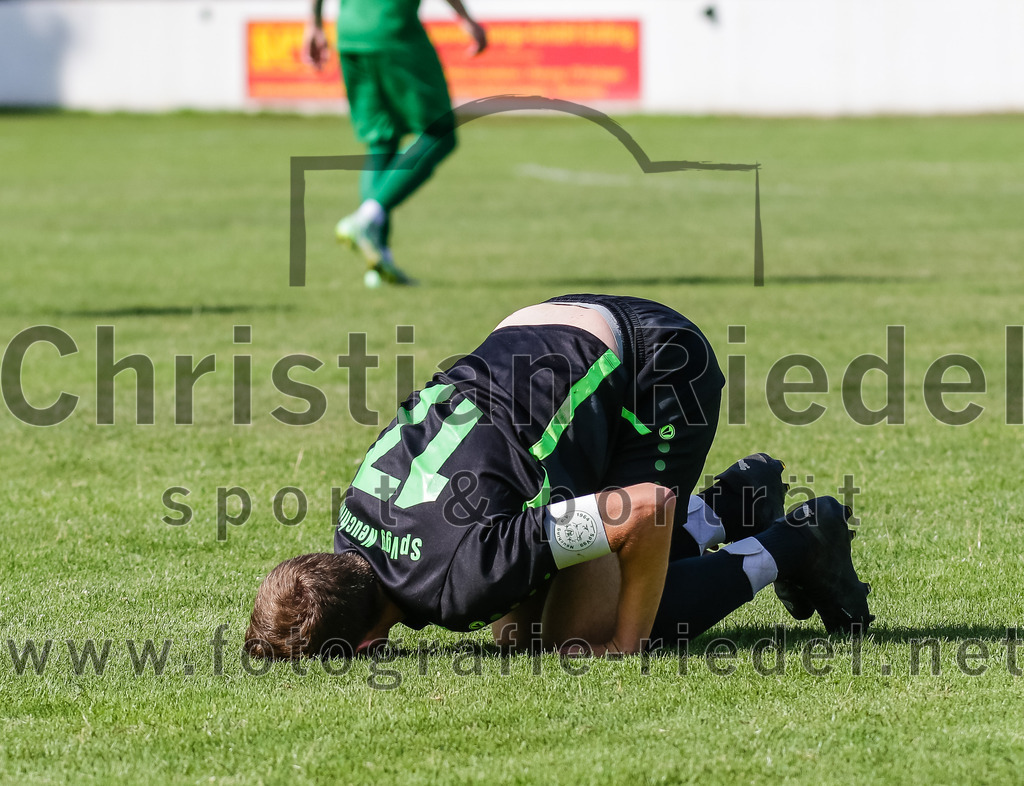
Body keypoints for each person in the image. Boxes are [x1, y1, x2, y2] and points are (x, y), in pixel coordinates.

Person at [245, 295, 873, 659]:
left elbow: (648, 509)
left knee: (583, 632)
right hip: (544, 326)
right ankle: (731, 506)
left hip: (654, 371)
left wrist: (626, 647)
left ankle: (797, 541)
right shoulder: (352, 534)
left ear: (363, 648)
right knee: (521, 632)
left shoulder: (462, 575)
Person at [303, 0, 487, 286]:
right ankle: (366, 218)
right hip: (395, 31)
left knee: (381, 139)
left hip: (351, 35)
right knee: (440, 135)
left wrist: (314, 24)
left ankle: (378, 261)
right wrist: (465, 18)